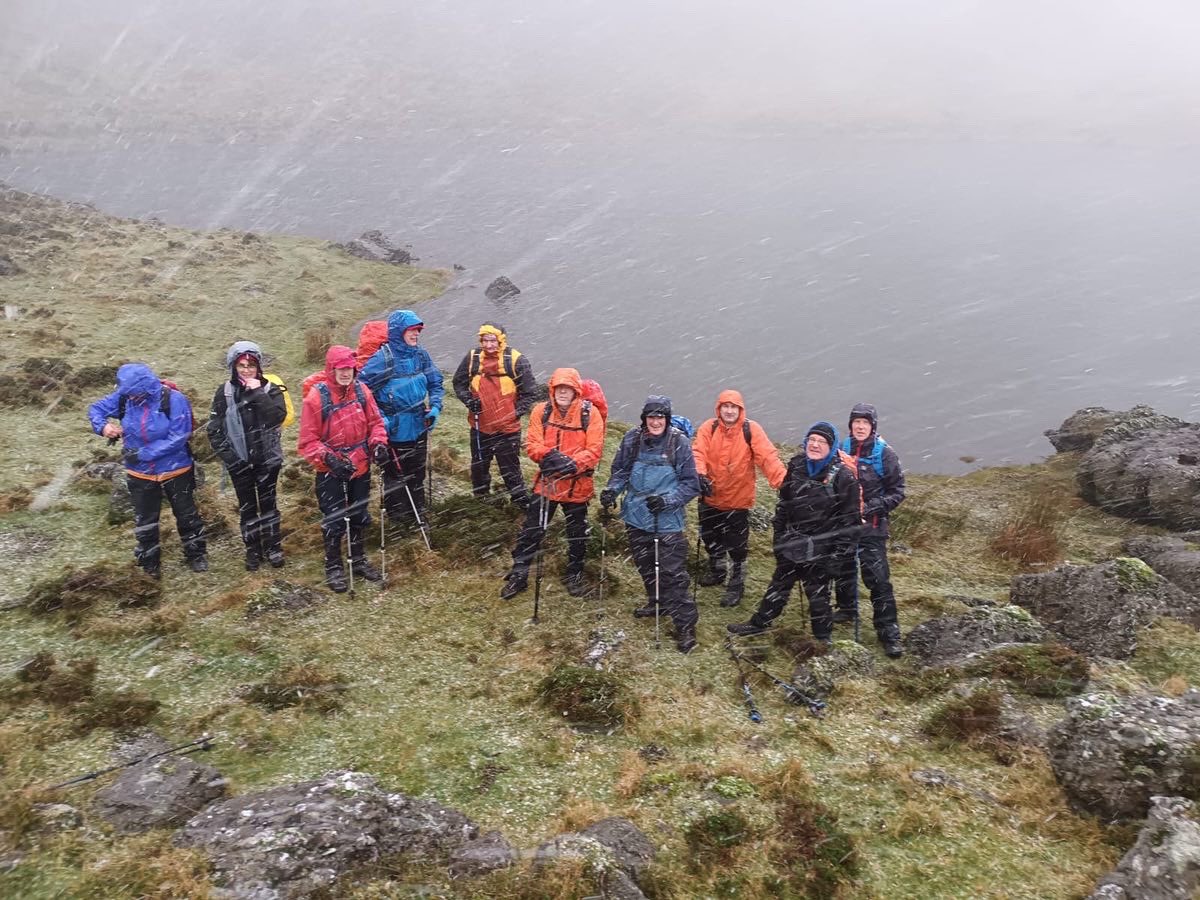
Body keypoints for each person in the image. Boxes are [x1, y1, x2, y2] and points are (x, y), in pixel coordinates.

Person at [727, 422, 860, 645]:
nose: (815, 445)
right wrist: (779, 538)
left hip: (822, 550)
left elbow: (851, 523)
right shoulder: (797, 465)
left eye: (821, 442)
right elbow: (784, 505)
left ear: (832, 446)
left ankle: (822, 639)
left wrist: (838, 557)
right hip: (792, 542)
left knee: (818, 596)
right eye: (812, 440)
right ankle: (759, 624)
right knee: (778, 585)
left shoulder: (844, 478)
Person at [600, 396, 701, 653]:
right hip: (636, 515)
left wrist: (668, 501)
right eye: (651, 417)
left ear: (667, 419)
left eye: (660, 417)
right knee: (645, 564)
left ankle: (685, 626)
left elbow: (691, 484)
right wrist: (612, 490)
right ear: (644, 419)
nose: (655, 421)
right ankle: (657, 603)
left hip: (667, 520)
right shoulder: (632, 439)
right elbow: (620, 471)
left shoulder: (679, 443)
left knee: (672, 573)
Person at [88, 363, 207, 578]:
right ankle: (150, 562)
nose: (130, 398)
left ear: (144, 388)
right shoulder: (124, 397)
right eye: (127, 394)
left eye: (133, 394)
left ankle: (196, 554)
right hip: (139, 473)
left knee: (186, 514)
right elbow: (96, 409)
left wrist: (143, 454)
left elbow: (179, 436)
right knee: (145, 520)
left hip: (176, 469)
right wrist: (103, 426)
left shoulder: (174, 400)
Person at [500, 367, 605, 600]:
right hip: (547, 483)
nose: (563, 392)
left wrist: (572, 464)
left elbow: (595, 450)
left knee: (576, 534)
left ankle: (574, 574)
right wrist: (550, 457)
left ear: (576, 391)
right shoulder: (541, 411)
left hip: (577, 485)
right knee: (532, 530)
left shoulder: (591, 414)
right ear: (552, 389)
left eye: (567, 388)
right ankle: (519, 574)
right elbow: (532, 444)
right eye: (559, 388)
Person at [297, 345, 390, 593]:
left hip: (360, 466)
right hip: (331, 470)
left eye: (349, 368)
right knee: (334, 518)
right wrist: (330, 459)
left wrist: (379, 444)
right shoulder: (317, 398)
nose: (346, 373)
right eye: (341, 368)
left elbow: (376, 423)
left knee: (359, 514)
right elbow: (308, 441)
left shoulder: (362, 390)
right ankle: (334, 567)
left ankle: (358, 560)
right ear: (331, 369)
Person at [691, 390, 787, 607]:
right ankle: (717, 570)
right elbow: (698, 452)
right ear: (719, 409)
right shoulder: (709, 427)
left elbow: (768, 457)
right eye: (725, 406)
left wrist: (784, 484)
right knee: (710, 537)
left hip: (738, 501)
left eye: (734, 407)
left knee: (737, 547)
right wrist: (699, 474)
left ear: (740, 409)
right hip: (710, 497)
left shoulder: (751, 430)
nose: (729, 411)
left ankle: (736, 583)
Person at [207, 341, 289, 571]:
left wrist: (256, 392)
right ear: (233, 366)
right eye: (241, 365)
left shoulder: (271, 389)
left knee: (269, 505)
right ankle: (253, 550)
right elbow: (214, 430)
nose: (245, 370)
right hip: (239, 463)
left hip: (268, 461)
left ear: (258, 367)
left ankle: (273, 548)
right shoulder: (224, 392)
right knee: (247, 507)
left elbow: (276, 418)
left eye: (251, 365)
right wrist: (233, 460)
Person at [833, 402, 906, 658]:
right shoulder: (841, 448)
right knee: (843, 569)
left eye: (865, 422)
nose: (860, 426)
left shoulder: (885, 454)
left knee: (878, 580)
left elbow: (898, 492)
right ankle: (846, 609)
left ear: (873, 426)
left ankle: (889, 631)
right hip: (845, 526)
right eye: (856, 422)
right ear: (851, 425)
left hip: (872, 528)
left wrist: (872, 507)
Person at [359, 310, 444, 527]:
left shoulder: (421, 355)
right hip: (394, 430)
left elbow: (435, 381)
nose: (416, 334)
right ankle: (398, 519)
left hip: (419, 424)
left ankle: (417, 513)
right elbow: (362, 393)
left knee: (417, 473)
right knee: (396, 476)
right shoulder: (383, 359)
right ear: (399, 332)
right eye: (411, 330)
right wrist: (381, 420)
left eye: (418, 330)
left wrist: (435, 407)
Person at [452, 323, 536, 507]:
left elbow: (530, 393)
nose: (489, 345)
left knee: (510, 468)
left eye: (493, 340)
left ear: (501, 341)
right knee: (479, 466)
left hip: (507, 429)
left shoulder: (516, 360)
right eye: (485, 340)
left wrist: (515, 414)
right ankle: (481, 501)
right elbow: (458, 383)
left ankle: (521, 503)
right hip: (480, 426)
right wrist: (468, 400)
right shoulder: (473, 358)